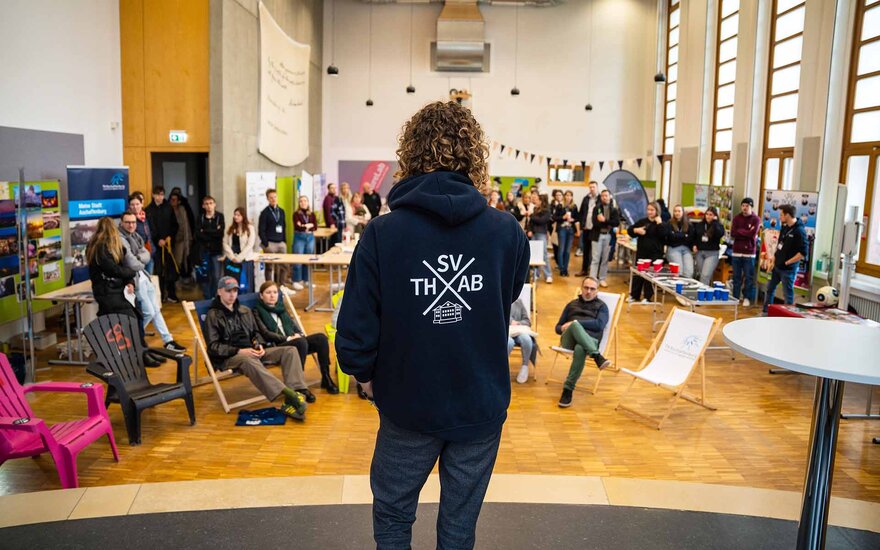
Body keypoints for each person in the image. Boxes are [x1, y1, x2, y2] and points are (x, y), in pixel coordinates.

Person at [336, 101, 531, 550]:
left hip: (408, 402)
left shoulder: (384, 234)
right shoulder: (506, 232)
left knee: (392, 517)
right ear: (474, 157)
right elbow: (506, 295)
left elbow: (356, 331)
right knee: (459, 529)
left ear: (411, 154)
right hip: (478, 401)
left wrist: (365, 378)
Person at [204, 276, 309, 420]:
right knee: (248, 359)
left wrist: (258, 345)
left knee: (290, 350)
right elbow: (213, 347)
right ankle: (289, 394)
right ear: (219, 292)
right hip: (229, 357)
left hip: (252, 351)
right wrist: (239, 351)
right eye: (228, 291)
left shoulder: (244, 310)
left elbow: (255, 334)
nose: (232, 294)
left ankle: (296, 395)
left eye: (235, 290)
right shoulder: (213, 315)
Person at [87, 217, 161, 367]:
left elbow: (122, 265)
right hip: (109, 293)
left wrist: (129, 280)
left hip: (114, 291)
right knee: (130, 320)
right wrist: (131, 273)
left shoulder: (108, 246)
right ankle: (138, 354)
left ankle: (141, 352)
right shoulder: (100, 248)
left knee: (135, 317)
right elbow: (114, 269)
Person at [253, 281, 338, 396]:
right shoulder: (257, 311)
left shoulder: (281, 308)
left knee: (321, 338)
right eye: (268, 293)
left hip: (296, 342)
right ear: (261, 295)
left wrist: (299, 334)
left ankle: (326, 377)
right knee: (300, 342)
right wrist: (288, 338)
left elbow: (294, 326)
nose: (272, 295)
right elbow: (265, 333)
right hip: (277, 346)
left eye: (275, 292)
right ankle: (299, 384)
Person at [118, 211, 186, 354]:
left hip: (144, 276)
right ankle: (130, 339)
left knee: (156, 310)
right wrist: (139, 259)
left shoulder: (136, 236)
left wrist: (138, 259)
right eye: (128, 222)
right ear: (121, 223)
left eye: (133, 222)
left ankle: (168, 340)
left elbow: (147, 255)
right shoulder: (121, 239)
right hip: (134, 279)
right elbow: (131, 262)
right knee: (149, 311)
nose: (131, 225)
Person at [555, 276, 611, 408]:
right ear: (581, 288)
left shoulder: (602, 307)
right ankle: (597, 356)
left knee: (580, 348)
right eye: (586, 288)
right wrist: (564, 327)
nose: (589, 291)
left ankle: (567, 390)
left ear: (597, 291)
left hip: (590, 340)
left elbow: (599, 325)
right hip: (569, 339)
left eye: (592, 289)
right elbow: (557, 328)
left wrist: (576, 322)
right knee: (574, 326)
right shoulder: (571, 304)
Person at [762, 203, 807, 314]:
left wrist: (788, 262)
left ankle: (787, 316)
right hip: (777, 266)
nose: (779, 217)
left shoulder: (799, 231)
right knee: (769, 288)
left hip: (788, 269)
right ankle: (766, 312)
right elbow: (780, 244)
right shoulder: (785, 227)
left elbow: (803, 253)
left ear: (788, 215)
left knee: (787, 294)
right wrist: (774, 258)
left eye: (781, 214)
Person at [627, 201, 668, 303]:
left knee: (650, 275)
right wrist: (637, 230)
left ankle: (647, 297)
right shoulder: (642, 221)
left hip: (655, 253)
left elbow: (664, 235)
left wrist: (659, 223)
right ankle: (634, 295)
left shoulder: (661, 223)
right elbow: (630, 230)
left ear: (657, 211)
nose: (649, 212)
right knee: (638, 274)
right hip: (642, 252)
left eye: (652, 210)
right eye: (648, 210)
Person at [145, 186, 179, 302]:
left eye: (162, 194)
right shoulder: (148, 210)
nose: (160, 197)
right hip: (156, 245)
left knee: (171, 269)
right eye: (158, 194)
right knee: (159, 270)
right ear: (153, 195)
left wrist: (170, 236)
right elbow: (149, 228)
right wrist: (158, 239)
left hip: (168, 244)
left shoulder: (169, 207)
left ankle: (171, 294)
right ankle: (161, 295)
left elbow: (175, 225)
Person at [730, 198, 760, 307]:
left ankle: (747, 297)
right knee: (736, 277)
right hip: (736, 252)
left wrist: (740, 231)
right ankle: (735, 297)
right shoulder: (737, 218)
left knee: (749, 277)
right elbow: (733, 233)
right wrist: (746, 232)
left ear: (751, 207)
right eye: (743, 205)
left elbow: (752, 234)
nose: (744, 208)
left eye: (747, 206)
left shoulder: (756, 219)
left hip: (749, 253)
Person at [258, 189, 289, 287]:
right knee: (270, 267)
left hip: (281, 243)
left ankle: (282, 285)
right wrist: (266, 244)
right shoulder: (265, 212)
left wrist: (284, 241)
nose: (273, 199)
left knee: (284, 265)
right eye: (271, 197)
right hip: (270, 243)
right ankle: (269, 286)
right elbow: (261, 229)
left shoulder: (281, 211)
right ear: (267, 199)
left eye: (275, 197)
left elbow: (284, 226)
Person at [196, 195, 225, 300]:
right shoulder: (201, 217)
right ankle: (207, 297)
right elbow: (198, 234)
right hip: (204, 250)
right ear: (203, 206)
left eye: (211, 203)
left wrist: (206, 231)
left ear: (215, 205)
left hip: (216, 250)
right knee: (205, 276)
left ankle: (214, 296)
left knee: (216, 276)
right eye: (206, 204)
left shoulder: (219, 217)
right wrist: (213, 231)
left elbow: (220, 233)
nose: (209, 206)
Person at [589, 189, 620, 287]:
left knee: (605, 259)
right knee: (595, 258)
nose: (604, 197)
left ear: (610, 196)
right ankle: (592, 279)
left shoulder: (614, 209)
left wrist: (605, 220)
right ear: (600, 197)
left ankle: (602, 278)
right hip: (597, 236)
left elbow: (616, 222)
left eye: (606, 195)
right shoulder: (596, 208)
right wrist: (607, 222)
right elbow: (595, 223)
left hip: (609, 236)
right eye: (602, 196)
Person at [222, 207, 257, 292]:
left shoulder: (250, 228)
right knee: (232, 284)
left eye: (238, 215)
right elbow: (225, 243)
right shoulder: (230, 228)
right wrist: (232, 257)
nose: (236, 217)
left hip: (245, 260)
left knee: (245, 284)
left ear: (243, 216)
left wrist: (239, 258)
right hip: (232, 260)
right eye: (235, 215)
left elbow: (250, 245)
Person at [692, 206, 725, 285]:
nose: (708, 216)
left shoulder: (718, 226)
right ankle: (704, 292)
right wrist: (694, 245)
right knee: (701, 275)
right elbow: (694, 236)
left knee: (705, 276)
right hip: (700, 252)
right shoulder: (700, 224)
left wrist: (715, 223)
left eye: (711, 215)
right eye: (707, 214)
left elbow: (720, 234)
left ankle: (702, 295)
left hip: (712, 253)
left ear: (715, 216)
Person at [526, 192, 553, 283]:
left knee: (544, 254)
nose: (535, 201)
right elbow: (530, 222)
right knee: (534, 255)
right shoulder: (534, 209)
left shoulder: (546, 211)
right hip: (533, 234)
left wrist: (531, 215)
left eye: (537, 200)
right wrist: (529, 230)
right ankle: (536, 274)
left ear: (541, 201)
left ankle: (548, 275)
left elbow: (542, 221)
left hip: (541, 234)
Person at [292, 195, 317, 291]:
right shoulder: (296, 214)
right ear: (299, 203)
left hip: (310, 237)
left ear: (308, 202)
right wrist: (307, 226)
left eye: (305, 201)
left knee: (308, 259)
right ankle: (296, 280)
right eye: (301, 201)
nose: (303, 202)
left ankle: (307, 280)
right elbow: (297, 227)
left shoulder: (312, 214)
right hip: (299, 237)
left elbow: (315, 227)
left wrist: (304, 225)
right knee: (298, 259)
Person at [507, 296, 534, 384]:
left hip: (519, 330)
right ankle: (502, 366)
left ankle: (525, 366)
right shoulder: (500, 301)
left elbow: (527, 321)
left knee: (527, 339)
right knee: (509, 343)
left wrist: (518, 323)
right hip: (505, 330)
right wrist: (510, 322)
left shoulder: (519, 302)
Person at [576, 181, 600, 277]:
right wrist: (582, 226)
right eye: (590, 187)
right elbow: (581, 212)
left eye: (593, 187)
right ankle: (584, 269)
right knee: (586, 250)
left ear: (597, 187)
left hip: (595, 229)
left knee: (595, 252)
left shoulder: (600, 199)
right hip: (586, 228)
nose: (592, 189)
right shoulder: (586, 198)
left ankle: (594, 272)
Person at [552, 190, 579, 277]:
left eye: (570, 195)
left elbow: (577, 218)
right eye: (566, 195)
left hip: (570, 229)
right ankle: (562, 268)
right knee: (561, 249)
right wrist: (563, 217)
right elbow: (555, 217)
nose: (568, 197)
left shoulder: (574, 206)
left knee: (567, 251)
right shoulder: (560, 206)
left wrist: (573, 220)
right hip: (562, 229)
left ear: (572, 197)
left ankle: (565, 269)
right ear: (564, 196)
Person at [665, 204, 694, 279]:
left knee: (689, 271)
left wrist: (676, 235)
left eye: (679, 211)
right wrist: (684, 235)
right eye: (675, 211)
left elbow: (690, 237)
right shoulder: (669, 223)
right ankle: (676, 288)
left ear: (683, 212)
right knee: (678, 270)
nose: (677, 213)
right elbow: (671, 237)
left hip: (686, 249)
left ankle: (685, 288)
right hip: (673, 248)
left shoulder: (688, 224)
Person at [168, 193, 193, 280]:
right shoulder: (167, 209)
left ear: (178, 201)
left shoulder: (182, 210)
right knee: (170, 260)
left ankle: (178, 278)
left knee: (179, 260)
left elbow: (186, 225)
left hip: (181, 238)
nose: (173, 201)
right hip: (169, 239)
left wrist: (189, 237)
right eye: (171, 199)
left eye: (175, 200)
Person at [129, 193, 153, 274]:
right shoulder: (128, 219)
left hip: (149, 252)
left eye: (137, 204)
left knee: (148, 280)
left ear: (141, 204)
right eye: (132, 204)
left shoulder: (145, 216)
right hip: (137, 256)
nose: (135, 207)